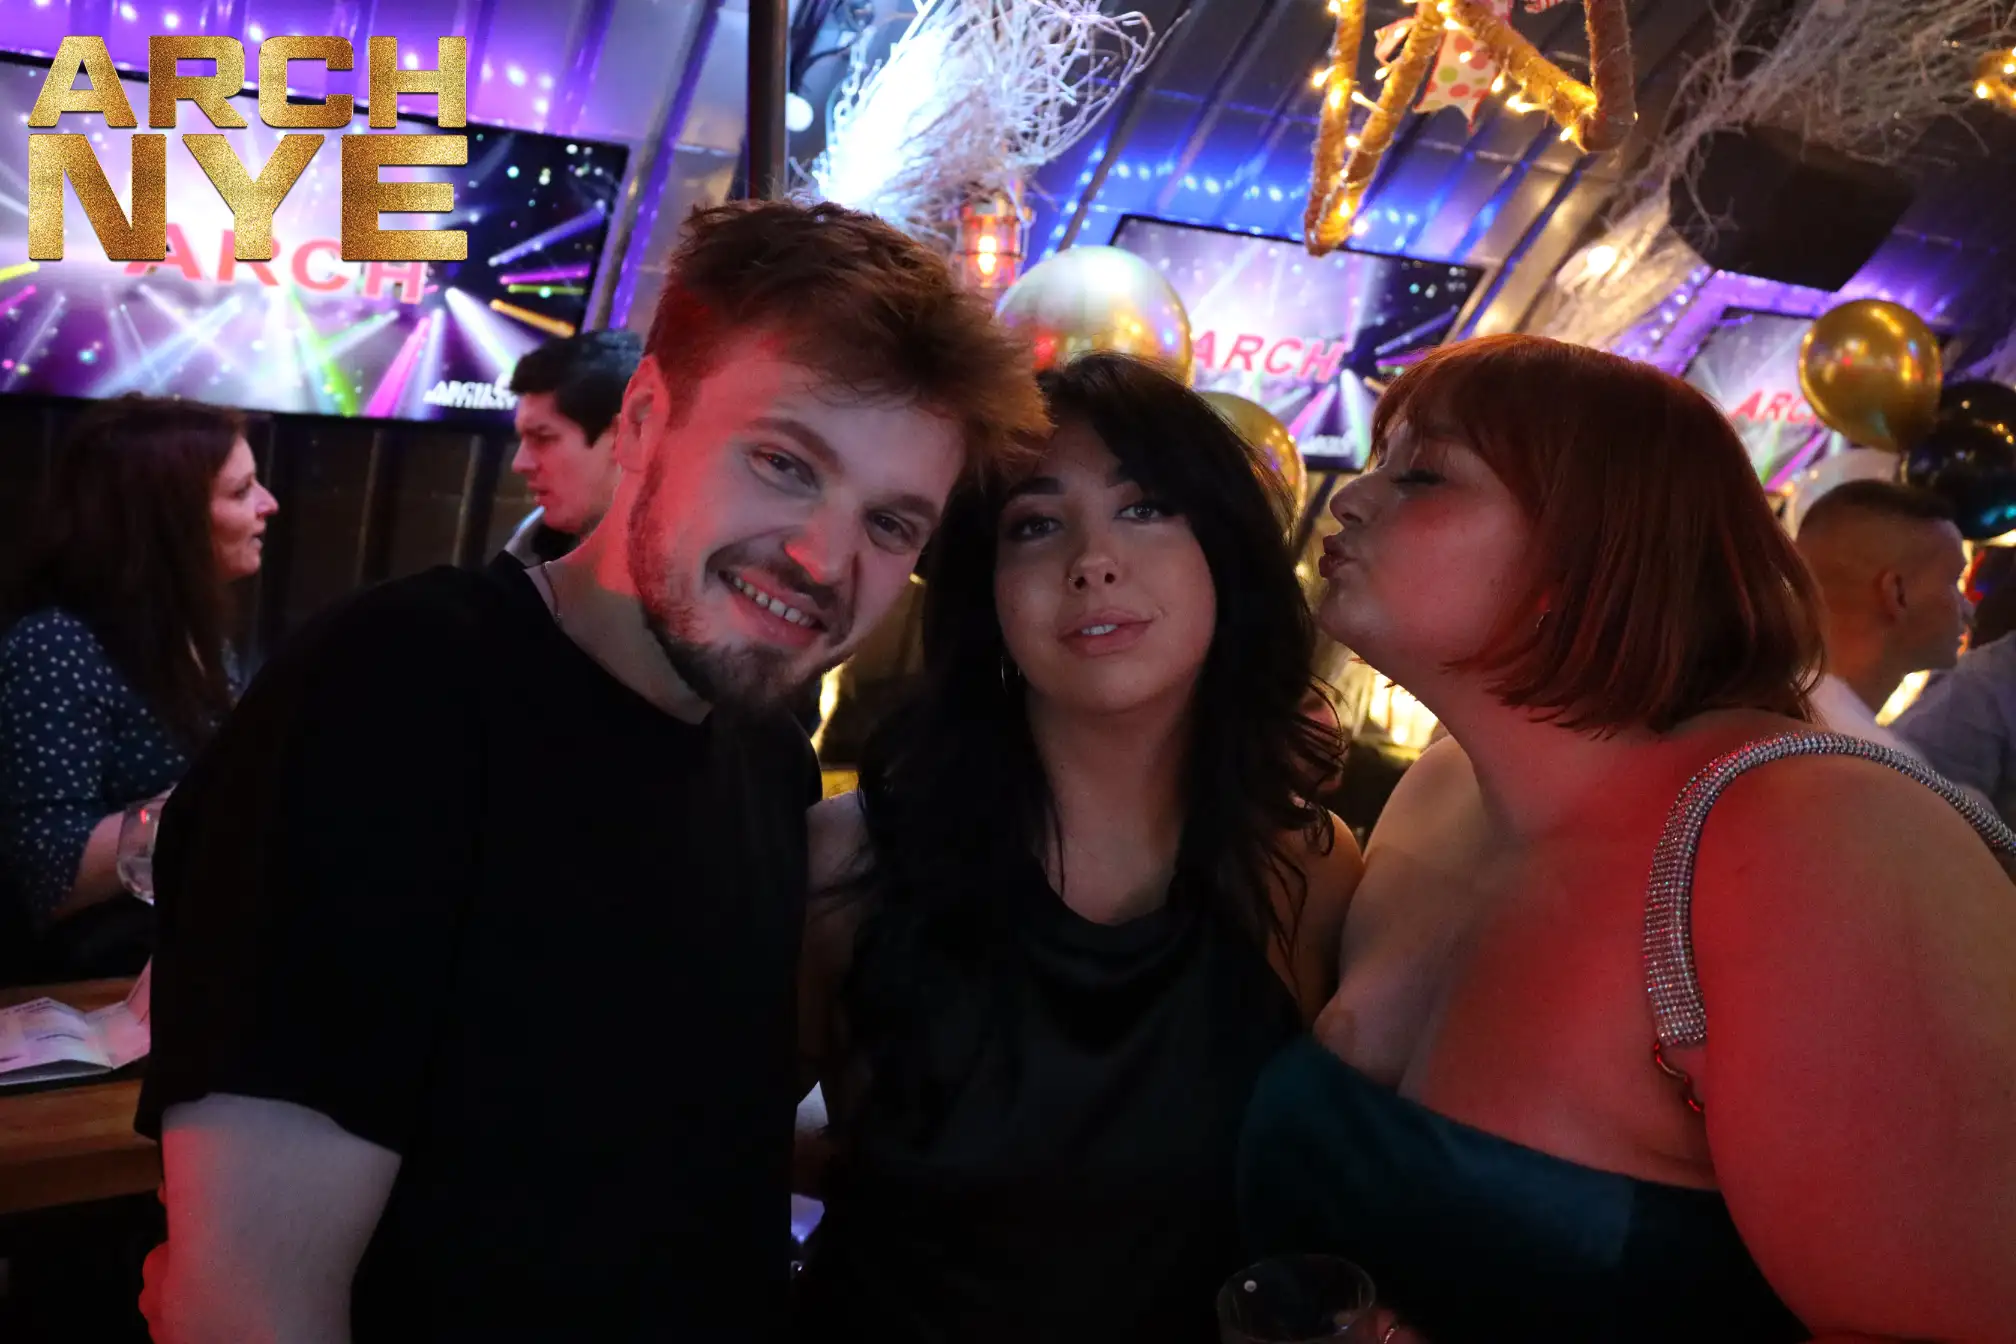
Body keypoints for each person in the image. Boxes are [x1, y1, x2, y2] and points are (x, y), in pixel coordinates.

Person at [135, 199, 1049, 1343]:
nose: (825, 557)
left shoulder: (765, 757)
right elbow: (247, 1307)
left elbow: (642, 1143)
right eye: (782, 462)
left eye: (892, 523)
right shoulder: (400, 696)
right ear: (647, 420)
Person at [1237, 334, 2016, 1343]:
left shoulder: (1803, 829)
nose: (1350, 498)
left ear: (1596, 551)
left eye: (1423, 474)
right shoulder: (1442, 787)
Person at [793, 353, 1361, 1343]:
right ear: (985, 591)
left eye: (1145, 508)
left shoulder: (1307, 867)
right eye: (1035, 524)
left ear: (1224, 551)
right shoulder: (849, 860)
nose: (1093, 560)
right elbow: (701, 1144)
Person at [0, 396, 275, 982]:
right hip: (85, 983)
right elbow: (51, 872)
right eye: (240, 491)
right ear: (166, 520)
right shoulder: (56, 643)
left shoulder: (194, 634)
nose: (268, 503)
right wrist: (227, 791)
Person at [1793, 479, 1968, 757]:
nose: (1967, 608)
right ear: (1897, 593)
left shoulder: (1749, 710)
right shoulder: (1873, 764)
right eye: (1954, 581)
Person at [500, 328, 644, 565]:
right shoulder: (525, 555)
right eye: (521, 440)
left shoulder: (701, 575)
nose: (519, 464)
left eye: (543, 438)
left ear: (625, 435)